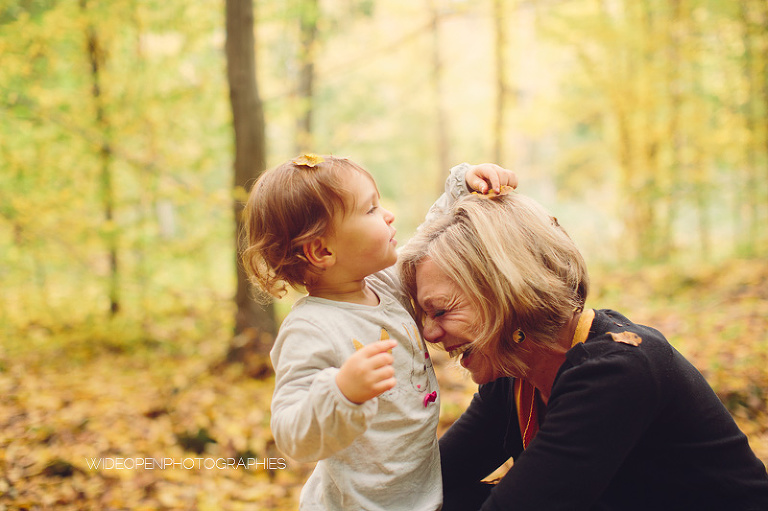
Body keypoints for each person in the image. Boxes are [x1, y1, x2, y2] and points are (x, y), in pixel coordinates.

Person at [397, 189, 768, 511]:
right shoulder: (514, 376)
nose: (429, 333)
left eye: (442, 310)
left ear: (507, 291)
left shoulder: (618, 371)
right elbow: (420, 488)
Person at [241, 154, 517, 510]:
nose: (388, 216)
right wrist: (341, 393)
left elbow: (426, 243)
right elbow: (292, 435)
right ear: (322, 250)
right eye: (370, 210)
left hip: (418, 493)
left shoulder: (385, 286)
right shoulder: (311, 328)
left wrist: (462, 188)